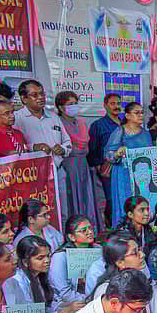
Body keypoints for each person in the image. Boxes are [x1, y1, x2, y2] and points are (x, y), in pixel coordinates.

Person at [15, 80, 72, 213]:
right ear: (24, 99)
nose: (40, 97)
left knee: (61, 211)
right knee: (39, 213)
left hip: (57, 171)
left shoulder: (53, 117)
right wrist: (33, 147)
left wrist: (62, 149)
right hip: (34, 176)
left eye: (42, 94)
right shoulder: (17, 118)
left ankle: (61, 234)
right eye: (34, 95)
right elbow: (14, 148)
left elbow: (67, 143)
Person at [55, 92, 101, 229]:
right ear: (61, 107)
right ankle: (74, 229)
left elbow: (86, 144)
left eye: (75, 103)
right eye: (70, 104)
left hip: (83, 163)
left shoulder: (81, 122)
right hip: (68, 164)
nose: (74, 106)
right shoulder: (58, 122)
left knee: (86, 195)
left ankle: (89, 227)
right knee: (71, 197)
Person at [105, 102, 154, 227]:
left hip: (141, 175)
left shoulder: (145, 133)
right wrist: (117, 153)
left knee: (141, 202)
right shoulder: (120, 131)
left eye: (142, 112)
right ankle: (124, 231)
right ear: (127, 115)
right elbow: (107, 154)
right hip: (123, 174)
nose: (141, 115)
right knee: (125, 202)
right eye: (136, 113)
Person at [88, 93, 123, 224]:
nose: (116, 106)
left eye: (118, 103)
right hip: (107, 168)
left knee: (123, 195)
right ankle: (111, 224)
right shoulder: (98, 125)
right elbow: (93, 148)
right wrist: (99, 167)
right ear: (105, 106)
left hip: (124, 166)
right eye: (112, 103)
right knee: (110, 198)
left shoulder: (125, 123)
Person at [48, 215, 96, 305]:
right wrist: (91, 300)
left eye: (90, 228)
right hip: (68, 304)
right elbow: (65, 293)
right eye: (83, 230)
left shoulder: (98, 249)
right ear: (72, 237)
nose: (89, 232)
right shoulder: (60, 256)